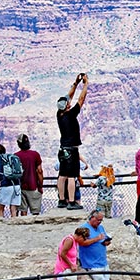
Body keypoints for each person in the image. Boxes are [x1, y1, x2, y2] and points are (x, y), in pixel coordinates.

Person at [76, 210, 117, 280]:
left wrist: (106, 242)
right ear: (92, 218)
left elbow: (103, 239)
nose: (99, 222)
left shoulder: (101, 228)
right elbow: (82, 242)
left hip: (102, 261)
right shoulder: (84, 228)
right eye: (98, 220)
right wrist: (97, 239)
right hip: (91, 263)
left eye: (101, 220)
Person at [57, 73, 88, 209]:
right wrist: (85, 84)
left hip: (62, 149)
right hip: (72, 150)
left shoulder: (59, 114)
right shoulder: (71, 114)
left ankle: (61, 200)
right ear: (68, 106)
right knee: (71, 176)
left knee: (62, 175)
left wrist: (76, 83)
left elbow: (68, 96)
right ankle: (71, 202)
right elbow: (81, 99)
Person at [15, 134, 44, 216]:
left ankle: (23, 223)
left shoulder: (16, 156)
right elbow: (39, 171)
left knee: (23, 210)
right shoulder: (35, 154)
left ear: (19, 144)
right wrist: (40, 186)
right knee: (35, 211)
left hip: (20, 187)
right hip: (33, 186)